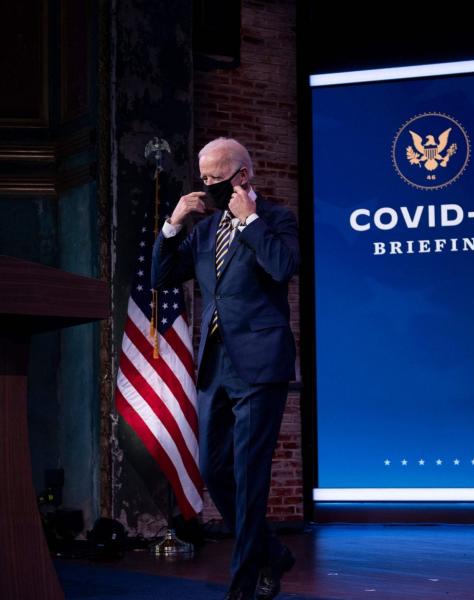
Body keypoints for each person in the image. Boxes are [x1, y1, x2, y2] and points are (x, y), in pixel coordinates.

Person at [152, 137, 299, 599]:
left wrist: (248, 220)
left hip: (259, 365)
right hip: (216, 366)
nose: (208, 186)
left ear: (241, 176)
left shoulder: (275, 220)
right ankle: (271, 554)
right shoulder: (204, 230)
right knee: (214, 471)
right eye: (204, 178)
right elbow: (160, 277)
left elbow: (282, 267)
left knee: (249, 476)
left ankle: (244, 586)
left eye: (215, 178)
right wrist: (174, 223)